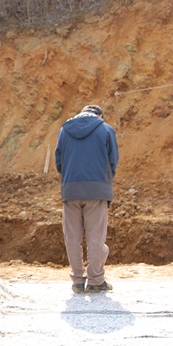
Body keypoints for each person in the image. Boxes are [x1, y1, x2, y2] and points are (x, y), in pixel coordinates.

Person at [55, 105, 119, 293]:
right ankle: (95, 281)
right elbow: (113, 161)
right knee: (95, 237)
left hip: (70, 190)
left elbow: (59, 162)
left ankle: (77, 280)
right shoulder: (106, 129)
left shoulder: (64, 131)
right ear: (99, 115)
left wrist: (70, 178)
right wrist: (104, 181)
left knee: (72, 238)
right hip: (97, 190)